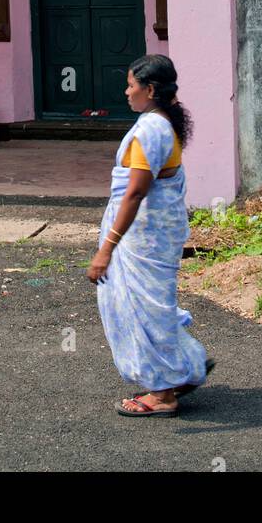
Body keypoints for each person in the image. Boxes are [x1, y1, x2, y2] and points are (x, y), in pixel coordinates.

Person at [87, 54, 214, 416]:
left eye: (131, 85)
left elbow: (136, 193)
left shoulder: (150, 130)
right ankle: (184, 368)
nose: (126, 92)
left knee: (140, 311)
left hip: (142, 238)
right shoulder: (162, 124)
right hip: (156, 235)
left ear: (151, 89)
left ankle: (161, 394)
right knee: (151, 308)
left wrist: (106, 250)